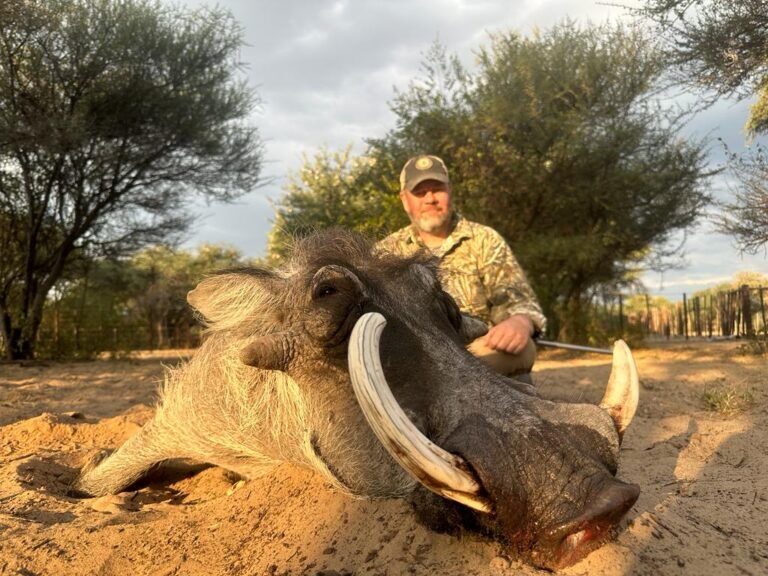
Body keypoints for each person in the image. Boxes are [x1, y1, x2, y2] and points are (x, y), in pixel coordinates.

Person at [378, 154, 546, 376]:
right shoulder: (385, 253)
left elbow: (521, 302)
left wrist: (520, 322)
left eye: (437, 189)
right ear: (404, 199)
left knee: (523, 348)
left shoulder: (485, 239)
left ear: (450, 191)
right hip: (414, 361)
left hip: (478, 354)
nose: (430, 199)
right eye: (420, 192)